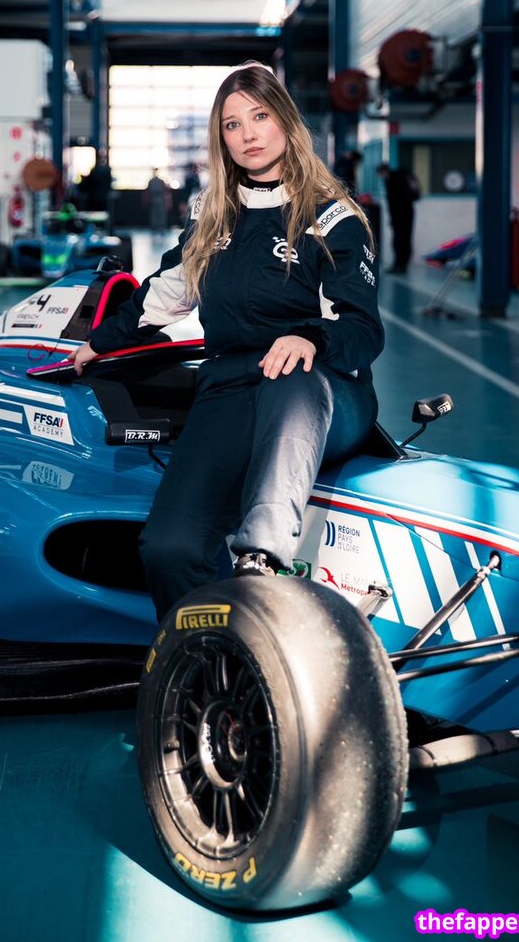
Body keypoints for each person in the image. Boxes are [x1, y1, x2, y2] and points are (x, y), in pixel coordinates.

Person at [70, 63, 384, 622]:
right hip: (233, 385)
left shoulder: (332, 216)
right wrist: (100, 342)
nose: (248, 135)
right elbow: (165, 292)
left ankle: (261, 558)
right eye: (232, 125)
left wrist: (309, 336)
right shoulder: (212, 216)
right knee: (168, 548)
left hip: (326, 391)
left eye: (260, 117)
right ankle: (204, 656)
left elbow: (363, 330)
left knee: (291, 376)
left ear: (286, 122)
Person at [376, 161, 421, 273]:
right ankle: (403, 264)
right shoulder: (401, 177)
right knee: (405, 239)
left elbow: (392, 202)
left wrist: (392, 218)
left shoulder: (391, 180)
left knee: (399, 240)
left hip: (399, 214)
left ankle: (399, 264)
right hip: (408, 212)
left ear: (383, 171)